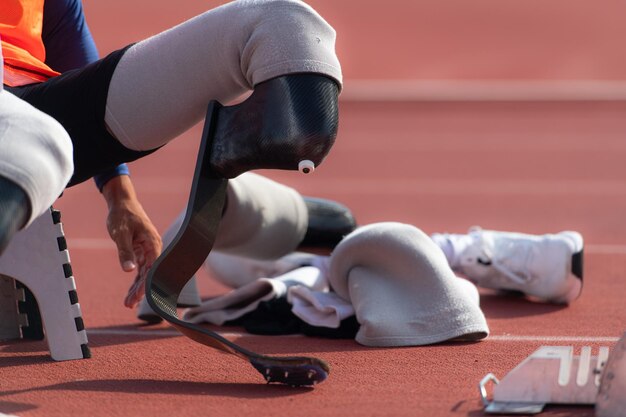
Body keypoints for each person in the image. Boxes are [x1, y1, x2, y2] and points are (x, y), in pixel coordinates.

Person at [1, 0, 346, 307]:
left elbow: (79, 67)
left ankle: (226, 188)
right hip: (27, 133)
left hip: (34, 106)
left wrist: (121, 197)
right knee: (40, 136)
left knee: (287, 24)